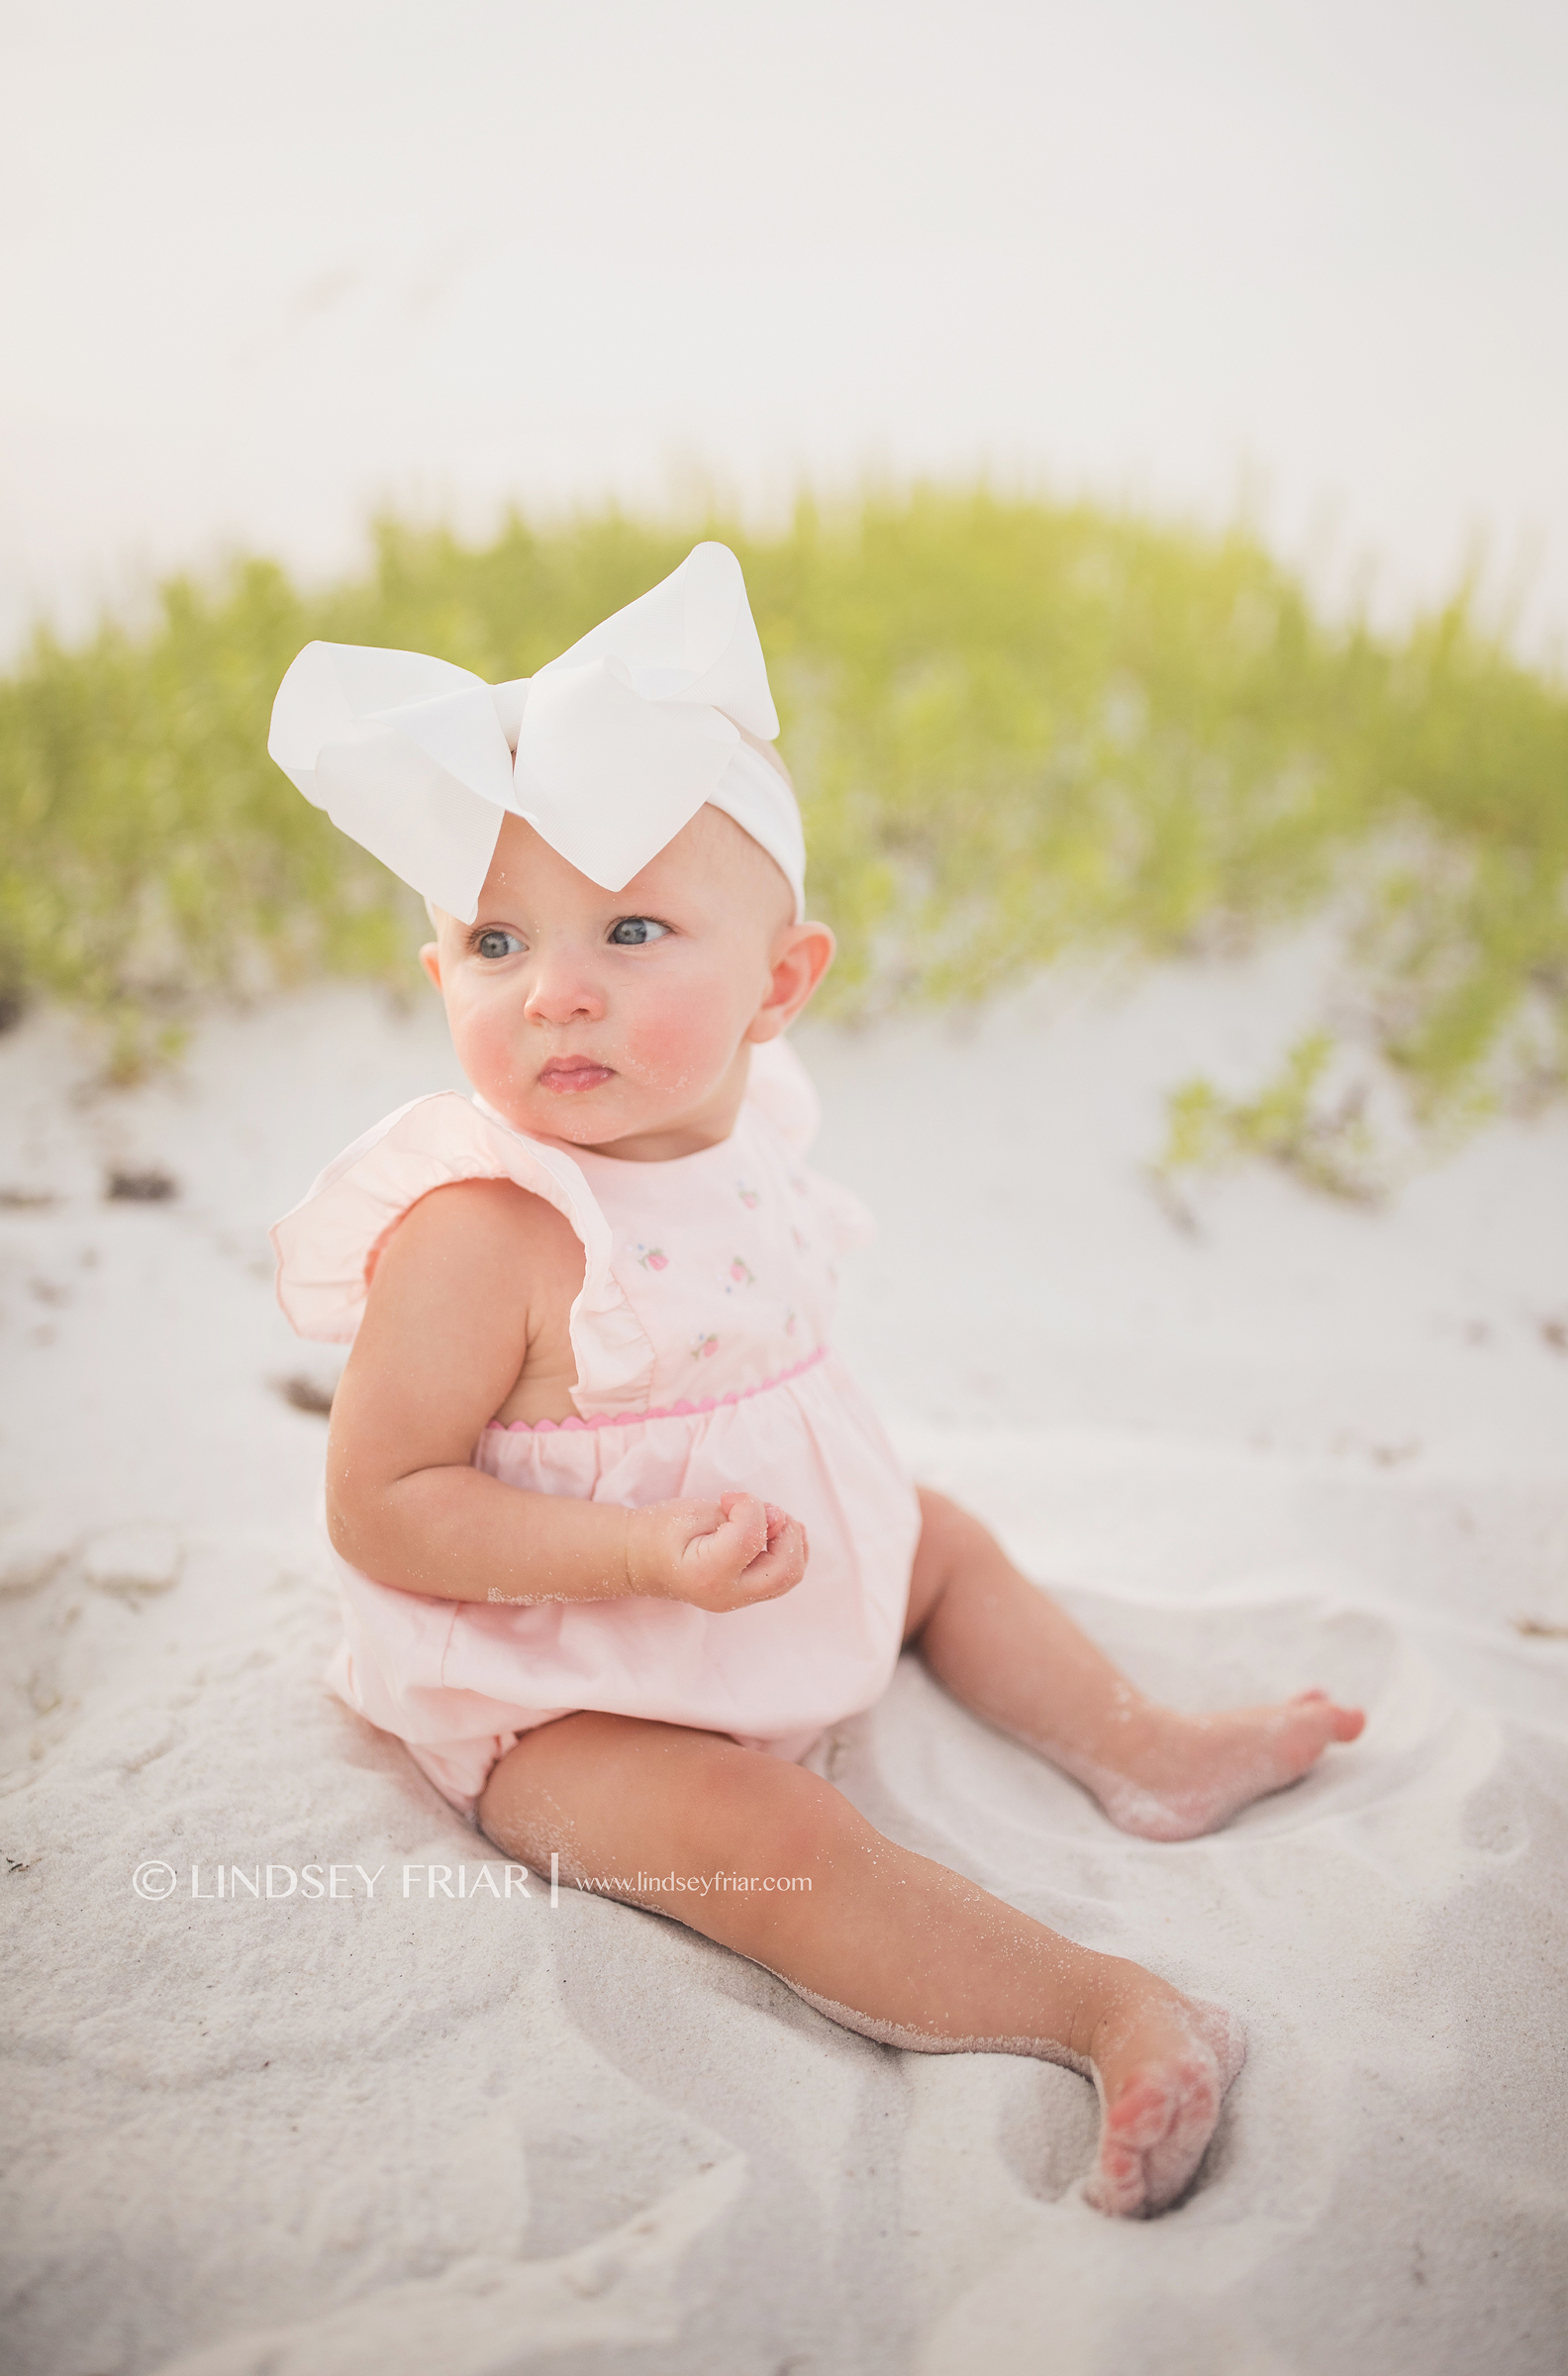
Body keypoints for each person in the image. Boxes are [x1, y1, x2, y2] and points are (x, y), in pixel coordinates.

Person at [268, 544, 1365, 2219]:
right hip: (562, 1685)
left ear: (781, 987)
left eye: (632, 929)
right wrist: (637, 1561)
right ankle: (1104, 2009)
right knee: (771, 1841)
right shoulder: (484, 1233)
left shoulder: (752, 1131)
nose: (556, 984)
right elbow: (384, 1507)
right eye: (496, 940)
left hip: (774, 1570)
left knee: (952, 1543)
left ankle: (1150, 1748)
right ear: (439, 978)